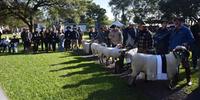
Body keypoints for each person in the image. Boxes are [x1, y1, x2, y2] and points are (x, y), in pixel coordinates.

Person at [169, 17, 195, 86]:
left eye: (177, 21)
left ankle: (188, 80)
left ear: (180, 22)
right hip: (174, 51)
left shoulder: (186, 30)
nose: (176, 23)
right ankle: (175, 80)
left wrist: (186, 43)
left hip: (183, 51)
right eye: (175, 21)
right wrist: (170, 48)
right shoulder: (173, 30)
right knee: (175, 66)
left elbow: (192, 39)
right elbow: (171, 40)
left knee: (186, 65)